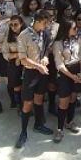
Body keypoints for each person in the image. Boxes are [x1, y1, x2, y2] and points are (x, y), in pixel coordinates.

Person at [16, 9, 54, 146]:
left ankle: (38, 124)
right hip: (31, 73)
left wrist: (44, 58)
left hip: (42, 72)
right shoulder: (23, 36)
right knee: (27, 103)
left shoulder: (45, 34)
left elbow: (47, 50)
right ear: (37, 22)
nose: (46, 26)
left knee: (39, 99)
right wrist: (38, 66)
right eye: (44, 23)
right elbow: (23, 59)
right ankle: (23, 132)